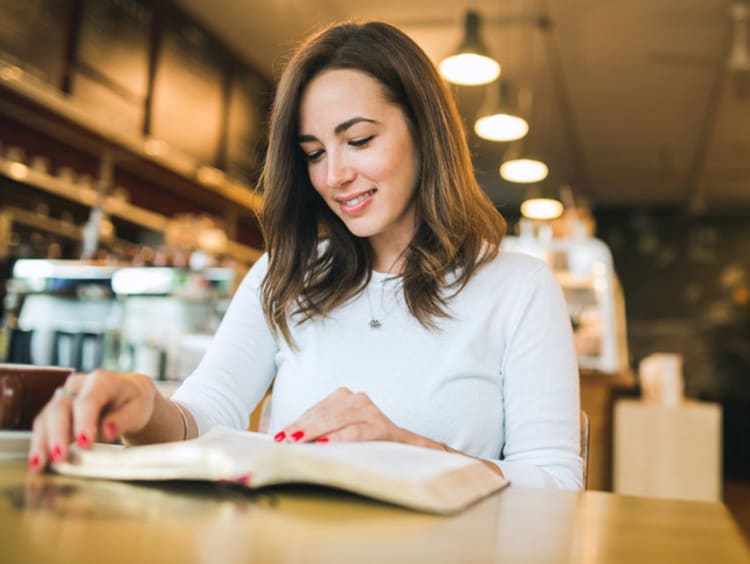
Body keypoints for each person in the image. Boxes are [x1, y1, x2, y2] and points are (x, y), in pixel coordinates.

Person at [28, 21, 582, 489]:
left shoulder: (519, 288)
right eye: (313, 152)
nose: (334, 175)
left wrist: (408, 449)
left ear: (425, 132)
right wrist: (144, 405)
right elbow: (207, 413)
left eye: (359, 141)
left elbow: (555, 484)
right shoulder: (286, 273)